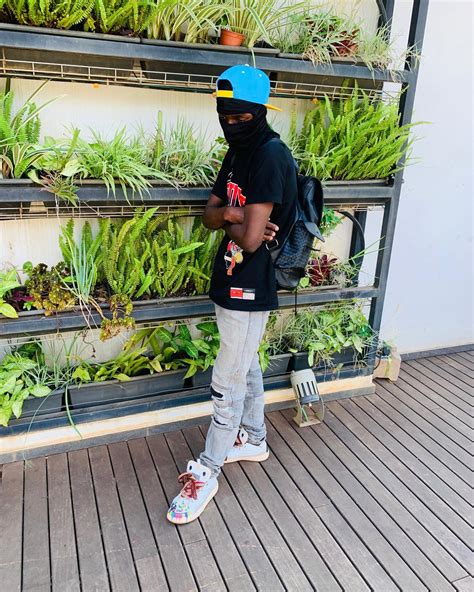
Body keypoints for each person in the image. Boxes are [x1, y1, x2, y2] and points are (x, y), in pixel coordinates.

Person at [167, 65, 298, 525]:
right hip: (228, 276)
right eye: (225, 115)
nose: (231, 122)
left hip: (252, 284)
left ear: (260, 111)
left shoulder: (269, 156)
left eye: (241, 116)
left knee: (227, 381)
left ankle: (208, 468)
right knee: (246, 362)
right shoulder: (237, 151)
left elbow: (252, 241)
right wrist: (235, 216)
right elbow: (210, 215)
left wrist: (232, 218)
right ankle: (255, 438)